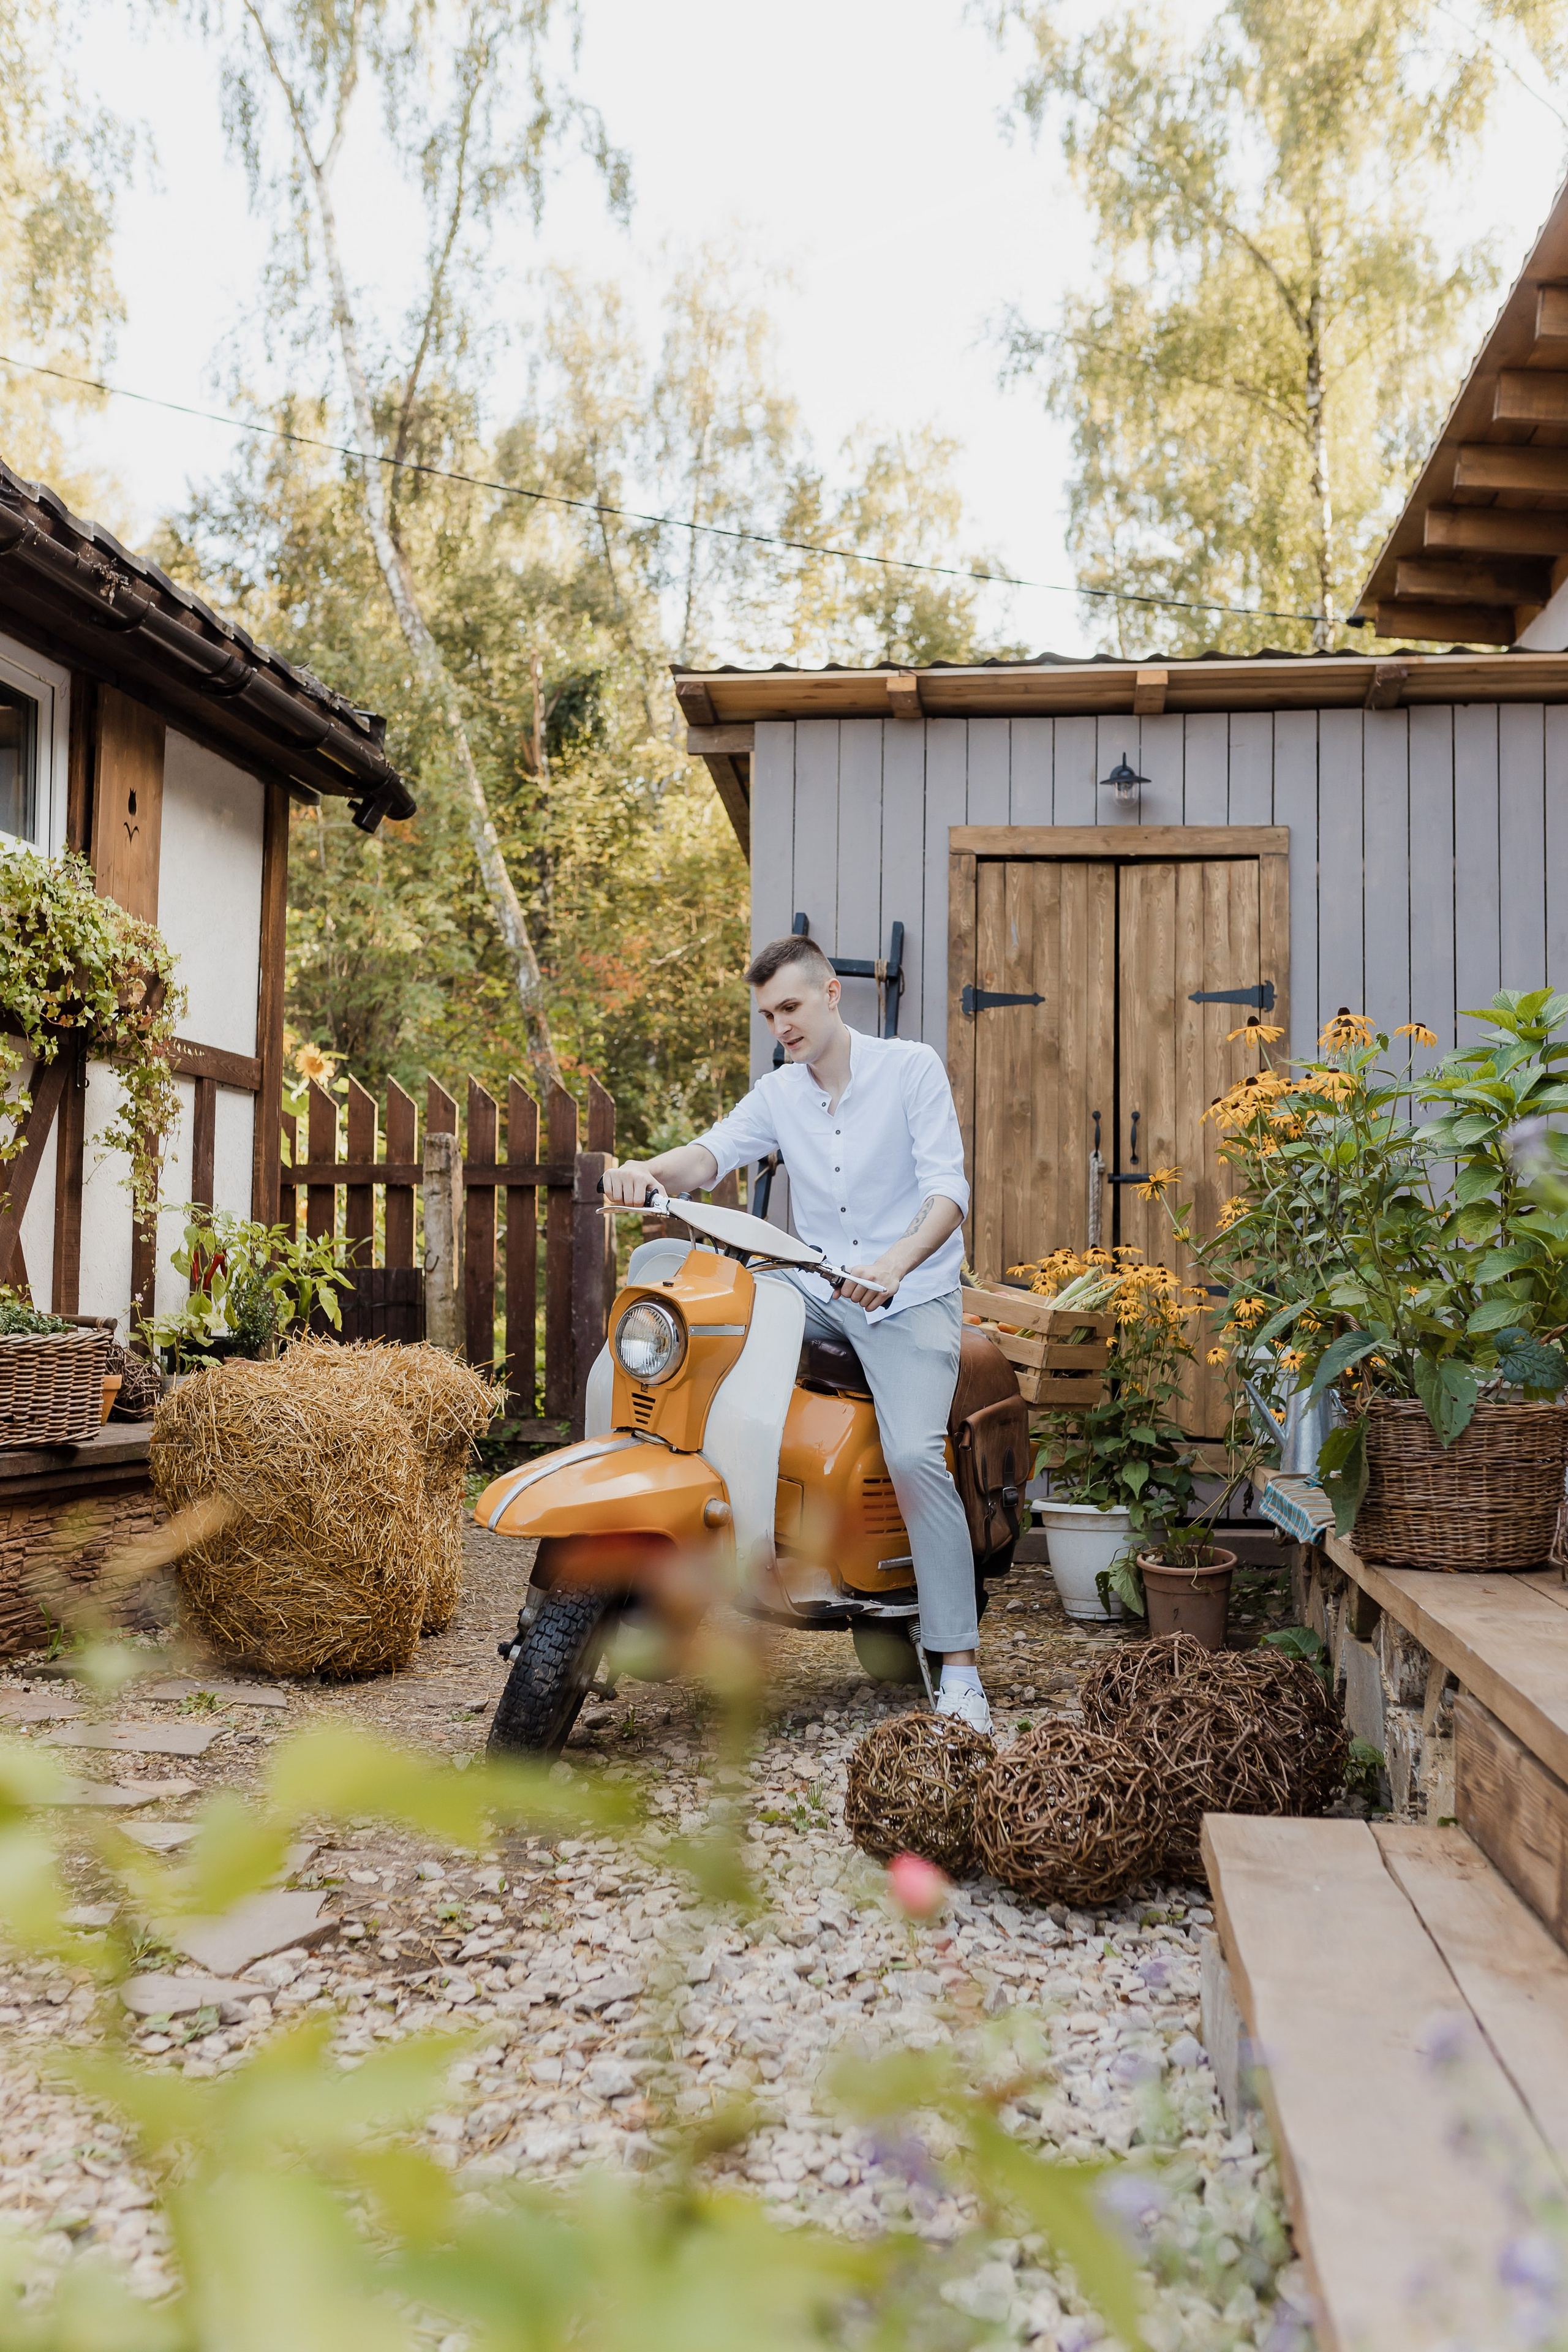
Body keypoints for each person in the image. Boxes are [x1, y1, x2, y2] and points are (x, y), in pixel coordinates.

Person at [603, 933, 992, 1733]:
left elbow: (947, 1190)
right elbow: (708, 1157)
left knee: (917, 1453)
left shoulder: (910, 1067)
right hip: (814, 1286)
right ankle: (698, 1571)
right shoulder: (779, 1093)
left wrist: (894, 1263)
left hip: (907, 1295)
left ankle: (958, 1670)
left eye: (790, 1006)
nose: (780, 1023)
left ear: (830, 996)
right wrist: (646, 1171)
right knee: (701, 1347)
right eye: (768, 1013)